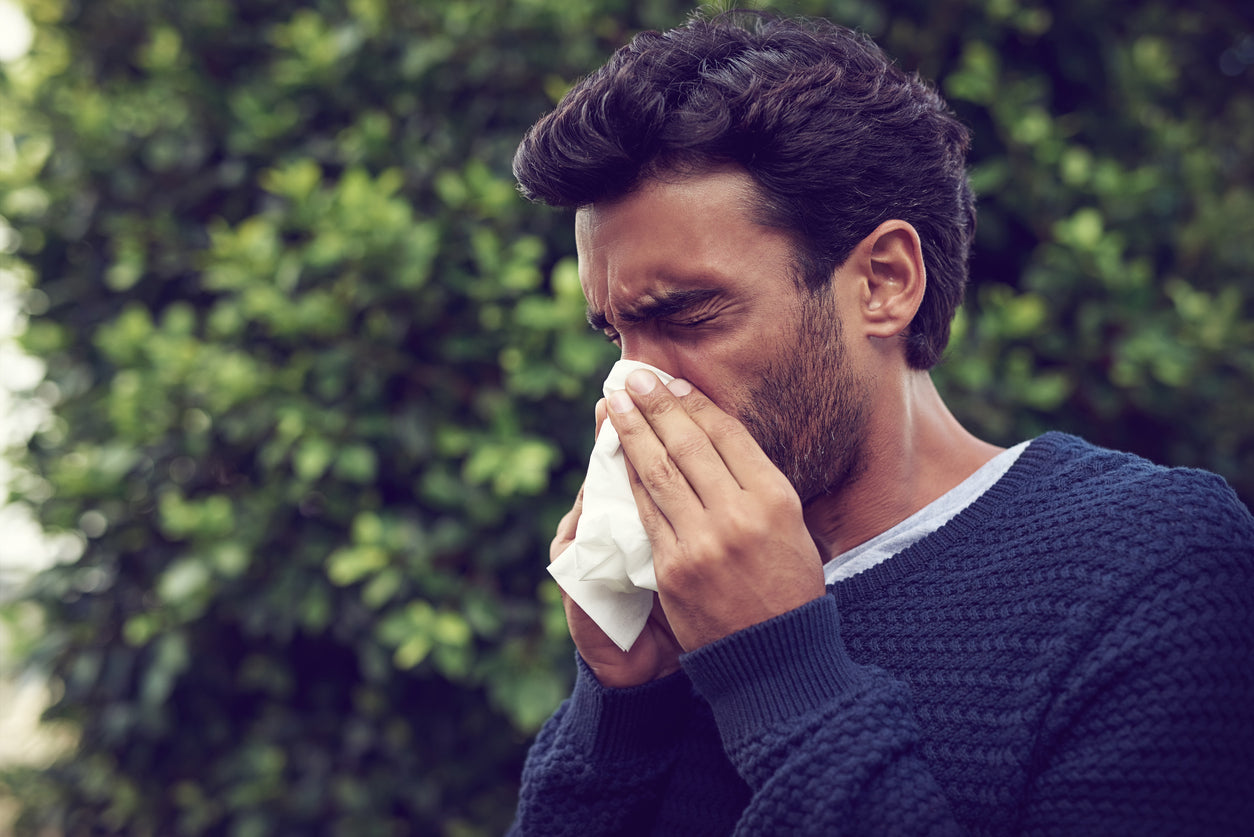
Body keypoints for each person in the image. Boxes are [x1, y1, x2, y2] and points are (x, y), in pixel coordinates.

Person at [507, 11, 1254, 836]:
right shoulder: (665, 614)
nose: (629, 389)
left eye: (689, 315)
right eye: (616, 334)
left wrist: (778, 669)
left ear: (885, 282)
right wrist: (621, 710)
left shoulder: (1151, 565)